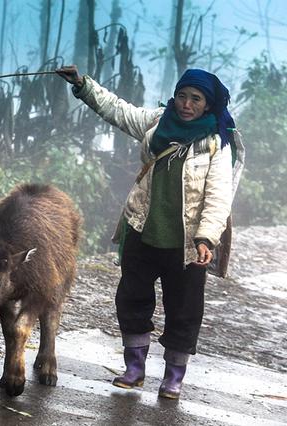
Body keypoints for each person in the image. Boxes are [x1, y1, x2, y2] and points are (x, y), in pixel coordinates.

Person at [56, 65, 244, 399]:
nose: (186, 104)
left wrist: (206, 238)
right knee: (132, 299)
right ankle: (134, 368)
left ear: (207, 105)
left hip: (185, 245)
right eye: (182, 96)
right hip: (141, 230)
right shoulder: (158, 122)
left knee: (184, 309)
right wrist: (83, 85)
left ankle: (173, 377)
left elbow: (218, 198)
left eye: (195, 99)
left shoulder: (216, 144)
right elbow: (119, 110)